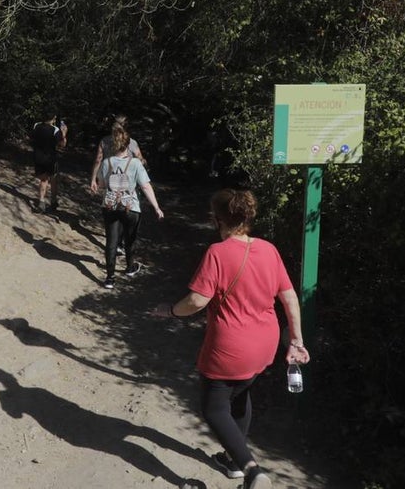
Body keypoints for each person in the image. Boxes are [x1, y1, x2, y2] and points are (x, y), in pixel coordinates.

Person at [153, 189, 311, 489]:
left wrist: (171, 312)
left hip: (230, 347)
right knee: (240, 393)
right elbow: (289, 297)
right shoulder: (268, 249)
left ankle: (252, 470)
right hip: (265, 345)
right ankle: (232, 461)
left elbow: (198, 300)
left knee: (214, 408)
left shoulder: (218, 252)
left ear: (217, 220)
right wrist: (296, 340)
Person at [96, 123, 162, 289]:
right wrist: (156, 207)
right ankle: (130, 268)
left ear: (114, 144)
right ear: (128, 144)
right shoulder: (135, 164)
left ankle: (110, 278)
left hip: (110, 205)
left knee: (111, 241)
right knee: (129, 240)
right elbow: (146, 186)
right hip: (130, 206)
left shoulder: (106, 162)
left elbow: (102, 184)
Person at [88, 113, 146, 193]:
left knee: (109, 203)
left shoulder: (104, 141)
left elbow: (98, 160)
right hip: (127, 184)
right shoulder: (132, 142)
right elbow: (141, 160)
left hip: (110, 183)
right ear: (127, 126)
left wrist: (93, 179)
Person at [30, 111, 67, 212]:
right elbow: (62, 145)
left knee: (43, 179)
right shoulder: (55, 130)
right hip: (50, 158)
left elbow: (32, 138)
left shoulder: (36, 125)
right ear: (53, 118)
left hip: (37, 156)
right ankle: (49, 201)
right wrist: (64, 134)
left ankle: (46, 201)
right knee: (52, 179)